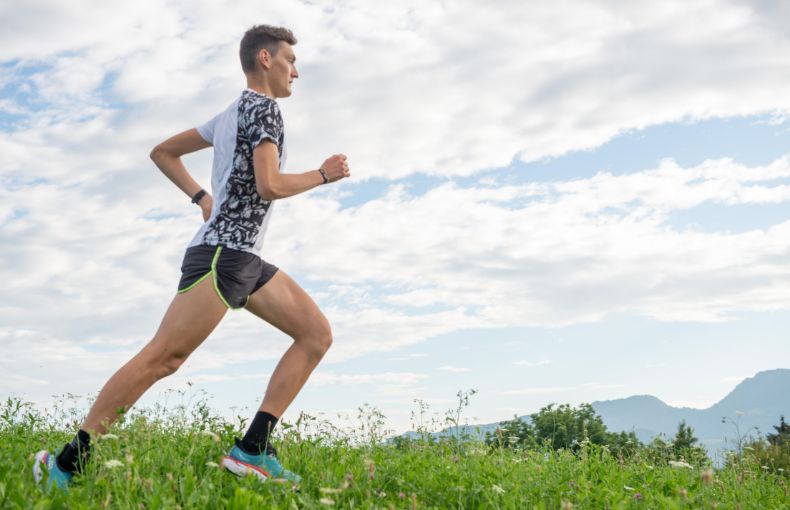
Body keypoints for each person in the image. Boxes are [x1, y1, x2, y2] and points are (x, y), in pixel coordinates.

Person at [34, 24, 350, 491]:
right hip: (223, 256)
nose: (295, 73)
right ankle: (65, 466)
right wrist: (323, 174)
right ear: (265, 59)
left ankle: (253, 448)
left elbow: (163, 153)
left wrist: (203, 196)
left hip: (242, 257)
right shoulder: (264, 110)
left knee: (315, 334)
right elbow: (270, 186)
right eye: (290, 61)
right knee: (163, 358)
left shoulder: (227, 115)